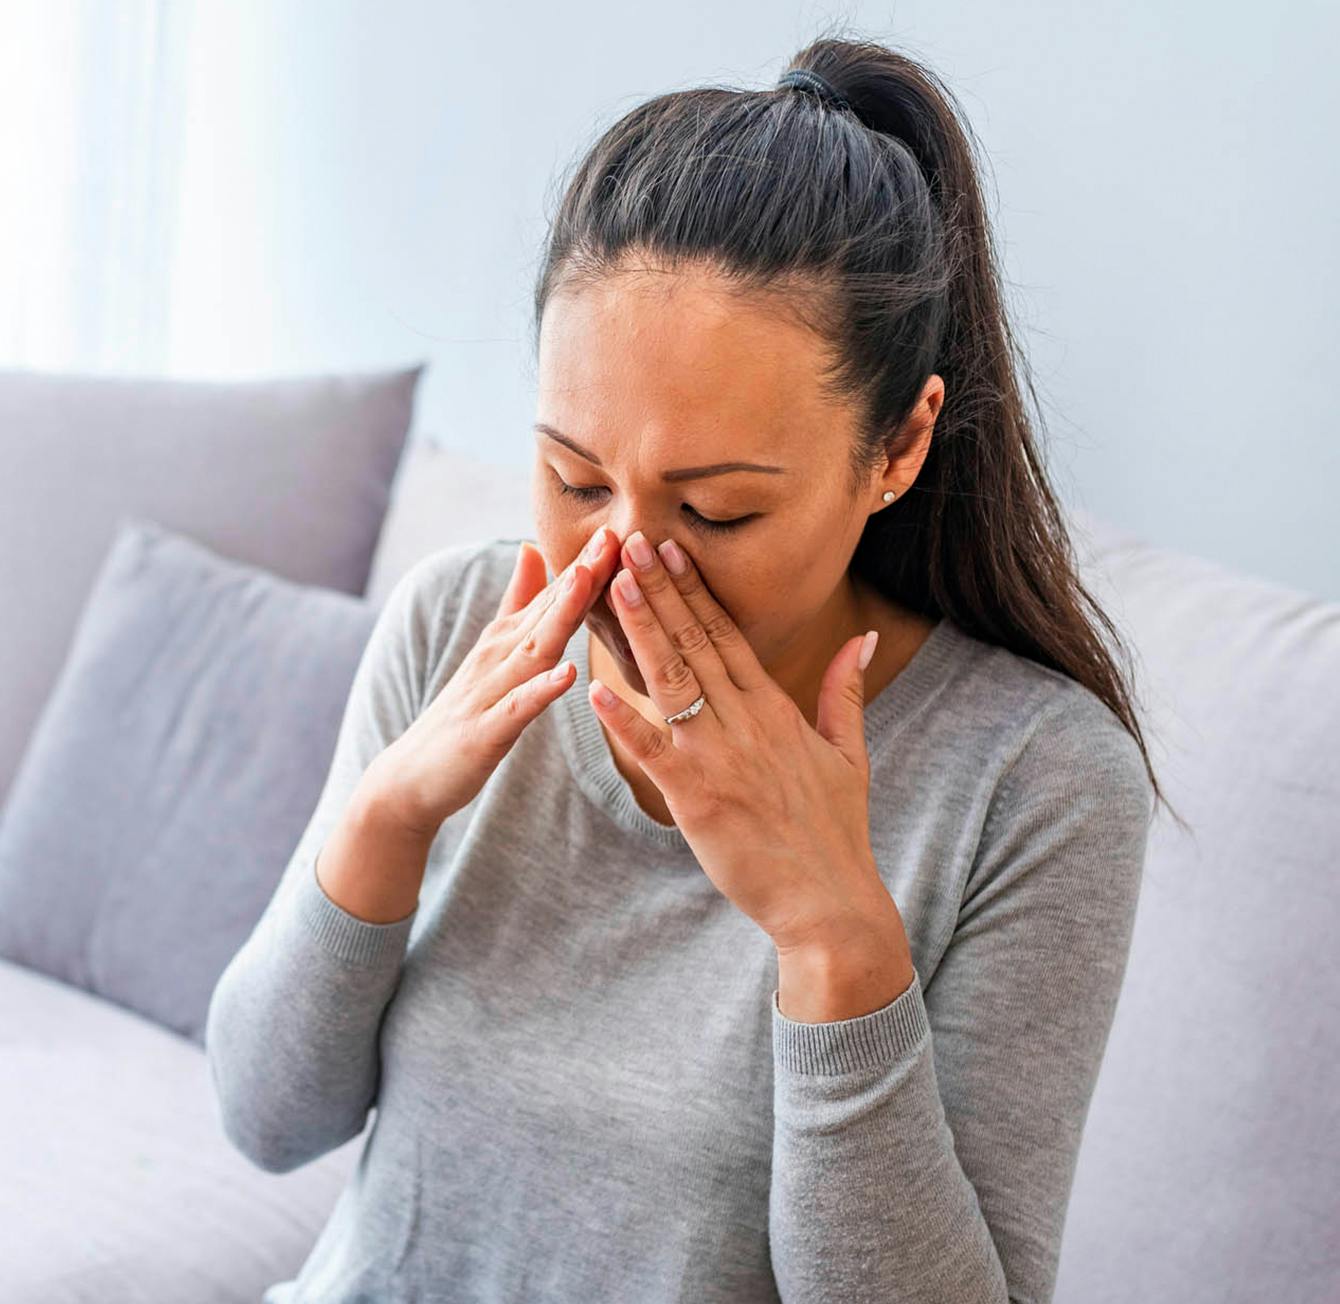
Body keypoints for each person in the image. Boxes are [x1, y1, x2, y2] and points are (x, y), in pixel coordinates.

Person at [206, 32, 1173, 1304]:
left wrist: (834, 938)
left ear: (898, 446)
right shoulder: (455, 622)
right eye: (571, 476)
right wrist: (383, 822)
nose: (619, 563)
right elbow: (268, 1119)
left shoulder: (1032, 784)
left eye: (713, 511)